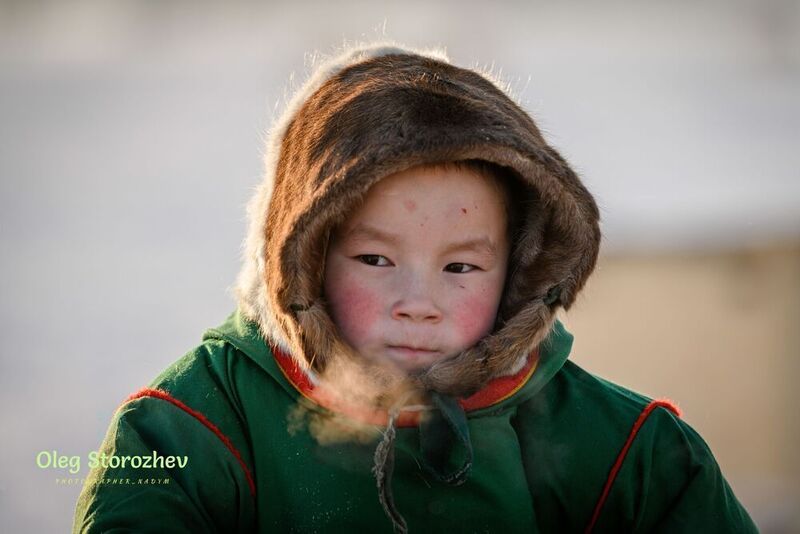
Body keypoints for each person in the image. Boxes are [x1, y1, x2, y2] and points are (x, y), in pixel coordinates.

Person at [73, 44, 757, 533]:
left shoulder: (625, 450)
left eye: (460, 268)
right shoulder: (193, 425)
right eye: (375, 259)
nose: (418, 302)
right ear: (305, 258)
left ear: (519, 273)